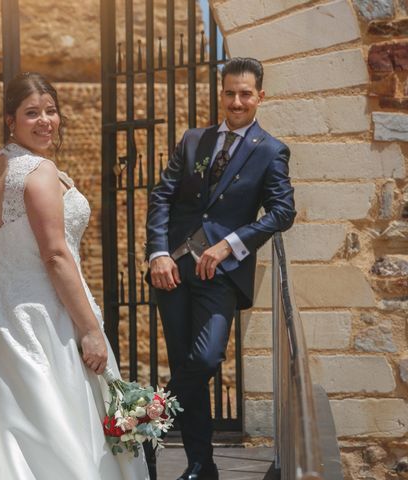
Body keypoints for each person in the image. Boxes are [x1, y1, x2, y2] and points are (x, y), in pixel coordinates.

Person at [0, 72, 149, 480]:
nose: (45, 121)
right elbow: (57, 256)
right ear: (11, 119)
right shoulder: (38, 172)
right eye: (31, 113)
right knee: (55, 434)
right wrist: (90, 330)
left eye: (51, 111)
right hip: (42, 321)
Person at [146, 57, 296, 480]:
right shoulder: (194, 140)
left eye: (245, 94)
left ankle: (146, 421)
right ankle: (200, 464)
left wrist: (230, 245)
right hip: (173, 271)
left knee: (206, 357)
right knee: (183, 363)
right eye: (229, 92)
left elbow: (283, 211)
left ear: (260, 96)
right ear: (221, 93)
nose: (236, 101)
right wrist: (158, 252)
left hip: (221, 275)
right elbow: (162, 197)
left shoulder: (270, 151)